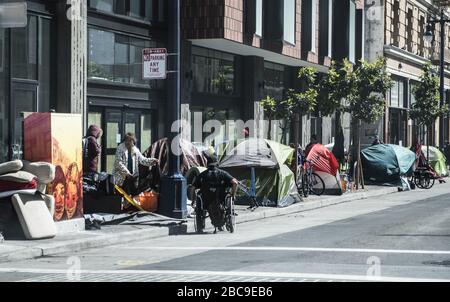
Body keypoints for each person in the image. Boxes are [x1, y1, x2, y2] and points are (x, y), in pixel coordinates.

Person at [193, 152, 238, 233]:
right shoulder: (223, 173)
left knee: (199, 194)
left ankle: (200, 226)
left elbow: (193, 187)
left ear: (207, 164)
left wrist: (193, 200)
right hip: (221, 200)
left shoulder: (202, 175)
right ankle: (225, 222)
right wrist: (233, 194)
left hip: (206, 202)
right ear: (217, 163)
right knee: (227, 194)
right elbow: (235, 182)